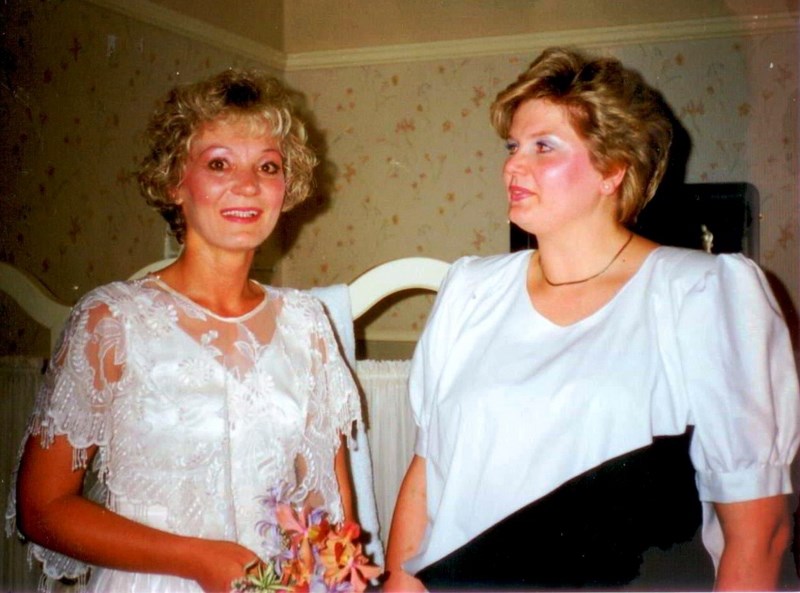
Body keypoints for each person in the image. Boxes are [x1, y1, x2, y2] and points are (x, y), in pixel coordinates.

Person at [385, 47, 800, 591]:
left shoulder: (701, 295)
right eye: (513, 146)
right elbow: (426, 474)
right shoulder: (469, 291)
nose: (512, 165)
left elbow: (759, 534)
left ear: (612, 169)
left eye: (543, 146)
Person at [8, 70, 362, 592]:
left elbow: (329, 513)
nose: (248, 184)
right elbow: (42, 508)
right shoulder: (113, 321)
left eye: (268, 166)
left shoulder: (308, 324)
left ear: (286, 187)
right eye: (219, 163)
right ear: (175, 182)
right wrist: (197, 559)